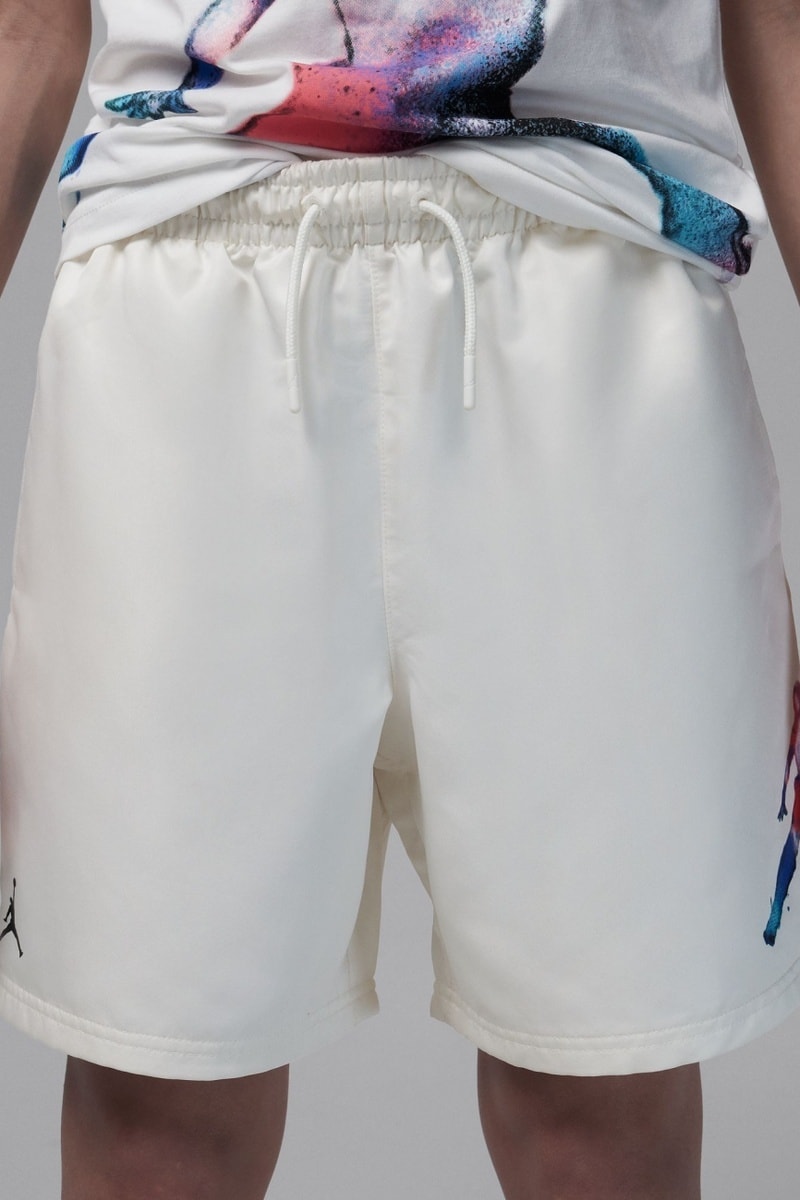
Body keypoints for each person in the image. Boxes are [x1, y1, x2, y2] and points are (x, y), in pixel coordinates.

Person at [0, 2, 799, 1197]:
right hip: (183, 283)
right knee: (158, 1091)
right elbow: (28, 22)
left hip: (594, 279)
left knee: (604, 1089)